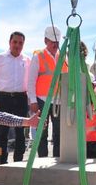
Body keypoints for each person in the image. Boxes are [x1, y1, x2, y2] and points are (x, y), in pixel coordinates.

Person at [0, 31, 31, 164]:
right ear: (9, 42)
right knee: (2, 132)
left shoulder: (27, 60)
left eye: (20, 43)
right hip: (4, 98)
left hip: (21, 99)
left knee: (20, 133)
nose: (17, 45)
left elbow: (30, 81)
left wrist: (31, 100)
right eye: (15, 42)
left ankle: (18, 163)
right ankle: (1, 163)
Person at [28, 25, 67, 157]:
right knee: (41, 133)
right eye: (52, 42)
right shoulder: (38, 57)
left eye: (57, 42)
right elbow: (31, 81)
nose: (55, 44)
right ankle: (42, 159)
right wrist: (33, 100)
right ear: (45, 41)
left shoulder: (63, 58)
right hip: (42, 100)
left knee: (59, 133)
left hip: (59, 101)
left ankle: (57, 159)